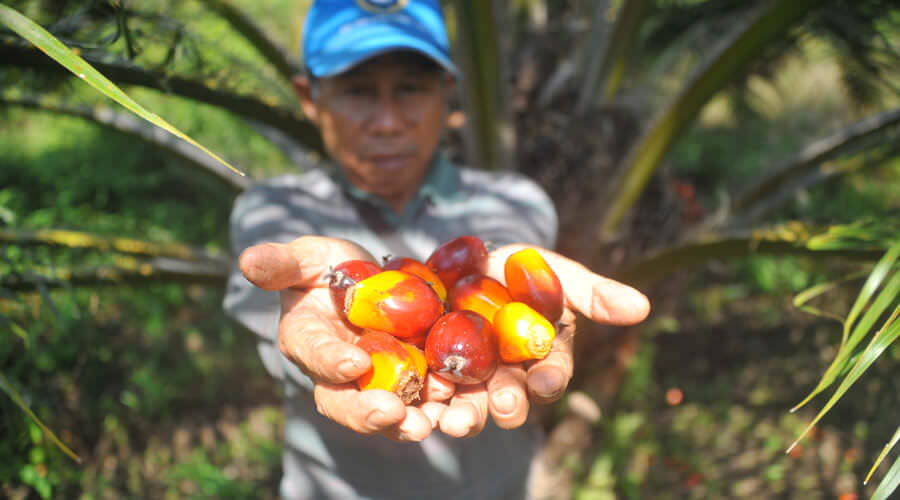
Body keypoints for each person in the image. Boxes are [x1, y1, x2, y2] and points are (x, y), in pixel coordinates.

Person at [223, 1, 651, 499]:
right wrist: (327, 351)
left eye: (410, 89)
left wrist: (510, 285)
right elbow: (284, 343)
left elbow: (490, 277)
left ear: (446, 94)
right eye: (358, 91)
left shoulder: (512, 200)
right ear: (310, 98)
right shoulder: (272, 214)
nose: (387, 122)